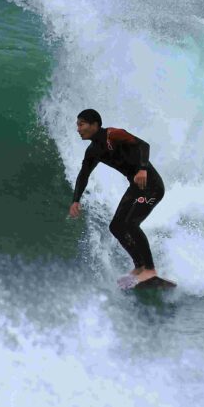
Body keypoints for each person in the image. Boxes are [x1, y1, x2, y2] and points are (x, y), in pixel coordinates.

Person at [68, 108, 166, 285]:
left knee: (131, 224)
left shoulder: (113, 134)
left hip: (152, 186)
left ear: (94, 125)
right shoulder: (93, 151)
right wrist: (76, 200)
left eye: (81, 124)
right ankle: (140, 266)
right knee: (116, 227)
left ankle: (150, 270)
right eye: (77, 125)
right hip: (136, 188)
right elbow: (83, 175)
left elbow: (143, 145)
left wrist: (142, 169)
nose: (78, 129)